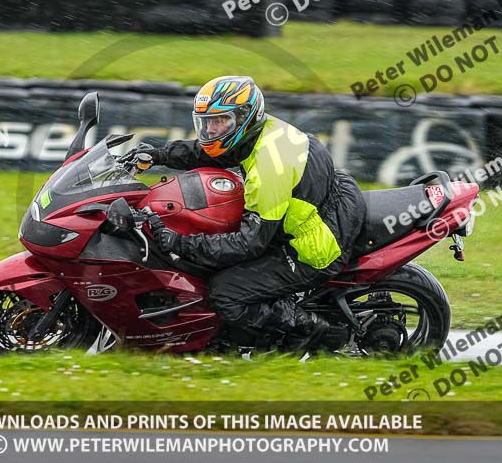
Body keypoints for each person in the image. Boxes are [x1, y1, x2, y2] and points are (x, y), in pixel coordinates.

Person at [124, 76, 366, 351]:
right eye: (207, 123)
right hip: (327, 202)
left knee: (226, 292)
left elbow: (249, 243)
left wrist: (179, 244)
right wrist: (158, 155)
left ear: (243, 118)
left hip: (316, 245)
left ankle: (316, 331)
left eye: (219, 122)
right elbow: (209, 151)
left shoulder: (267, 168)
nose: (211, 130)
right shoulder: (259, 131)